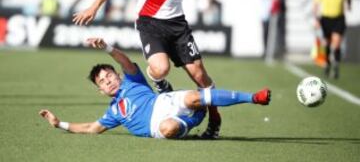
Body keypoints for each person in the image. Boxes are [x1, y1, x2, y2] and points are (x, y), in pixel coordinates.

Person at [72, 0, 234, 138]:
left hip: (177, 26)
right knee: (160, 69)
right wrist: (94, 7)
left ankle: (214, 121)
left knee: (200, 77)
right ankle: (159, 82)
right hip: (149, 24)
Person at [39, 38, 271, 139]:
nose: (108, 80)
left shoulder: (132, 80)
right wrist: (59, 123)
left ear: (118, 76)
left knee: (191, 97)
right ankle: (198, 116)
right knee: (169, 127)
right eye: (102, 81)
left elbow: (124, 61)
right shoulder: (113, 113)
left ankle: (254, 97)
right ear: (101, 91)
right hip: (158, 127)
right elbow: (91, 128)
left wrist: (107, 47)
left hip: (164, 102)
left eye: (109, 75)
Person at [313, 0, 352, 79]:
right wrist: (316, 18)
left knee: (336, 43)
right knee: (327, 44)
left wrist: (349, 5)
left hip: (339, 18)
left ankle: (336, 64)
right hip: (326, 18)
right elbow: (316, 2)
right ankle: (327, 64)